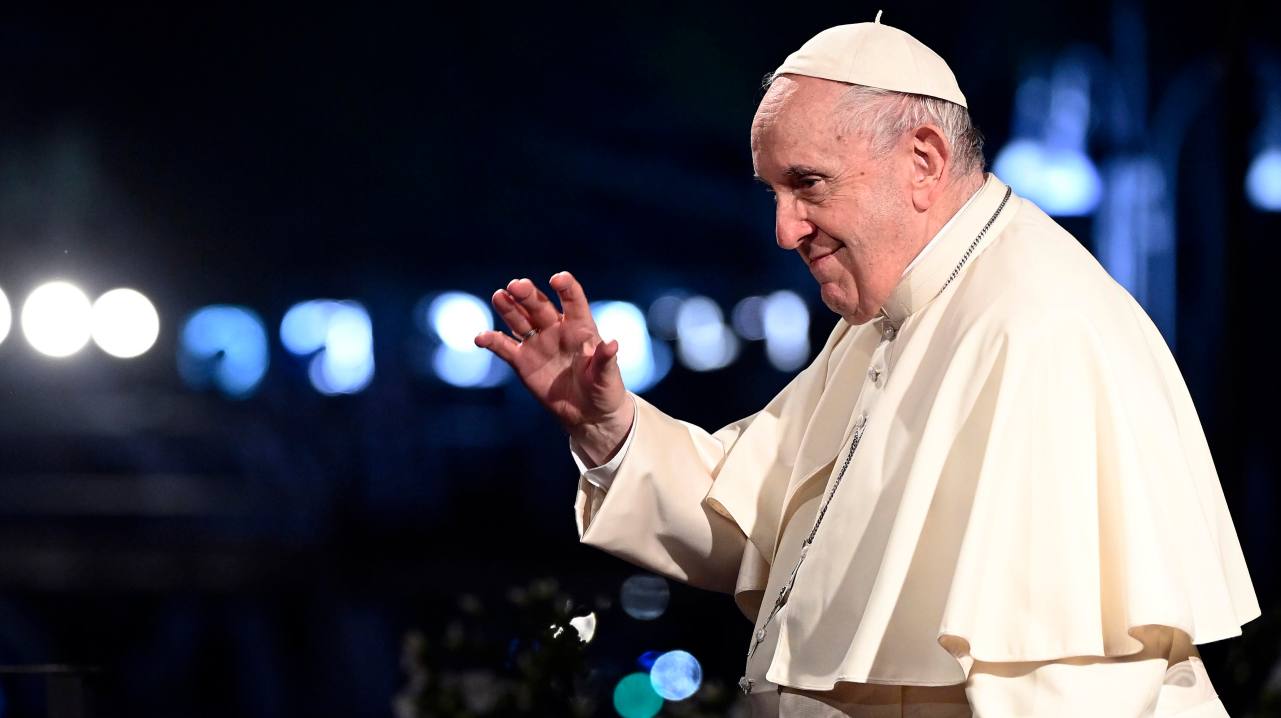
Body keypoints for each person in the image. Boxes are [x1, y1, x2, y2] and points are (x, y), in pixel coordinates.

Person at [473, 16, 1260, 717]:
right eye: (773, 192)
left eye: (807, 184)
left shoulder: (1036, 330)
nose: (785, 230)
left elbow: (1062, 683)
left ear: (922, 160)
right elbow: (748, 521)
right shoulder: (889, 318)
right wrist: (611, 428)